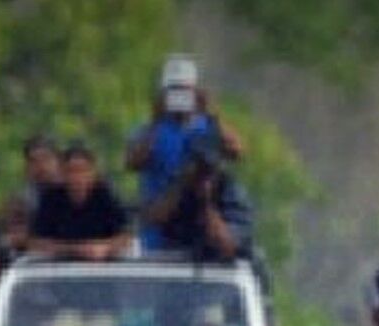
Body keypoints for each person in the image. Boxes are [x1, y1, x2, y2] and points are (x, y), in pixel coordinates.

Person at [126, 55, 245, 251]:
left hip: (201, 224)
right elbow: (132, 163)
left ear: (196, 92)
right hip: (157, 229)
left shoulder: (209, 126)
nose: (179, 98)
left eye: (185, 92)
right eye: (173, 91)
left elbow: (237, 151)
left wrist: (212, 113)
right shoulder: (148, 131)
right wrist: (156, 119)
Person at [145, 133, 255, 260]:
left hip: (223, 269)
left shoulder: (233, 195)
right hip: (177, 266)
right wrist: (182, 184)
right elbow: (153, 218)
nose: (202, 174)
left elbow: (225, 244)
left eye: (208, 169)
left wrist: (206, 202)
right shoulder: (179, 187)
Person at [30, 144, 134, 260]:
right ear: (62, 174)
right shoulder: (51, 198)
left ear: (93, 173)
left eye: (82, 170)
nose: (77, 177)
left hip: (102, 268)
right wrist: (76, 250)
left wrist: (105, 247)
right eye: (71, 171)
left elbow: (126, 238)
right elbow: (36, 242)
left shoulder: (105, 196)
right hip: (58, 268)